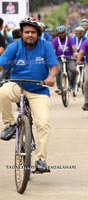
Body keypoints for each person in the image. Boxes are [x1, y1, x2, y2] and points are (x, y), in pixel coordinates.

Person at [0, 17, 58, 173]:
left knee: (43, 123)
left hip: (39, 90)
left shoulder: (45, 46)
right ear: (22, 33)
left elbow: (53, 67)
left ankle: (41, 160)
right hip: (18, 85)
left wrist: (51, 77)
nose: (30, 35)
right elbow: (2, 64)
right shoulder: (14, 46)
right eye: (26, 32)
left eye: (33, 32)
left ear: (38, 34)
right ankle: (10, 125)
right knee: (2, 92)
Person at [52, 25, 77, 94]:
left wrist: (75, 53)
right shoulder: (55, 40)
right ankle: (59, 87)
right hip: (59, 59)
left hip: (69, 58)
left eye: (63, 33)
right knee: (58, 70)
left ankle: (72, 85)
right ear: (57, 34)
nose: (62, 34)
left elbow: (74, 47)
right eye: (60, 33)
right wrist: (52, 56)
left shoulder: (70, 39)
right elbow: (53, 50)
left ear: (65, 33)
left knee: (73, 70)